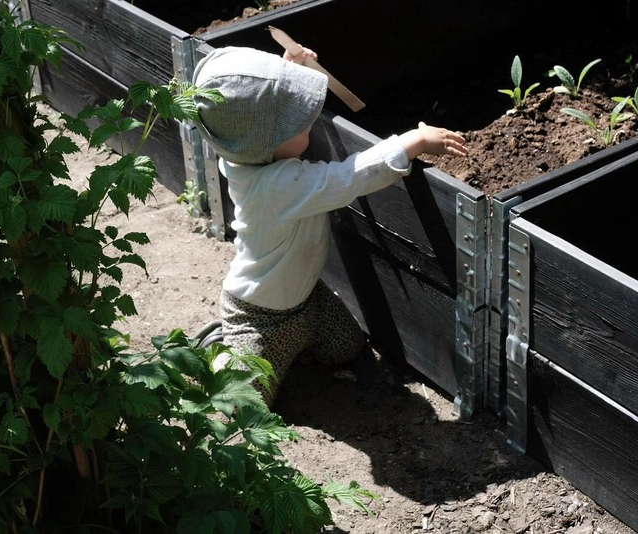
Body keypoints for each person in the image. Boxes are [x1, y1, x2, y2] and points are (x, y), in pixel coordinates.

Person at [192, 44, 467, 406]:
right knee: (245, 401)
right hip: (258, 316)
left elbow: (257, 118)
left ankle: (298, 341)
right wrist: (410, 142)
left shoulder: (243, 156)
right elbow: (348, 178)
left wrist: (290, 69)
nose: (309, 121)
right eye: (296, 122)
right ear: (266, 143)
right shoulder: (277, 187)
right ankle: (220, 348)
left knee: (346, 347)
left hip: (307, 299)